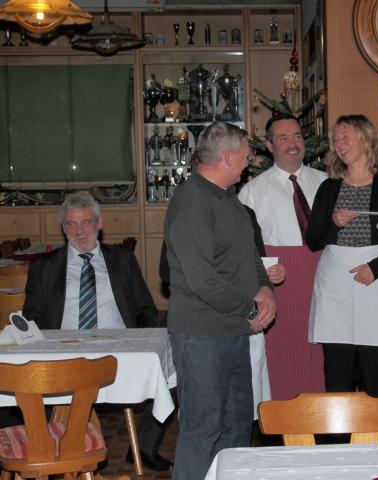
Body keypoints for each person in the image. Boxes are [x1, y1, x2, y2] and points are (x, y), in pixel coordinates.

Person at [22, 191, 173, 472]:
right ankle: (54, 446)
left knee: (173, 374)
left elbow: (145, 308)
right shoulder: (45, 267)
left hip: (118, 349)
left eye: (86, 222)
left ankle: (143, 445)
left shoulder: (122, 260)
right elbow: (33, 315)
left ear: (99, 223)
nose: (79, 231)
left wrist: (146, 340)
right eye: (71, 224)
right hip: (65, 350)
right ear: (63, 227)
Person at [164, 122, 276, 480]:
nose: (248, 162)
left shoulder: (229, 198)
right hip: (201, 335)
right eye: (244, 156)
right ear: (226, 157)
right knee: (203, 429)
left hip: (234, 331)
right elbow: (202, 279)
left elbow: (250, 255)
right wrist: (249, 308)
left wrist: (263, 288)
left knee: (237, 424)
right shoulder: (191, 202)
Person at [306, 115, 378, 398]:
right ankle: (339, 428)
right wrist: (333, 223)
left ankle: (376, 428)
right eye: (336, 139)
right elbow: (313, 240)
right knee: (338, 375)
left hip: (376, 283)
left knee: (374, 374)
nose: (339, 143)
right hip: (335, 286)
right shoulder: (330, 187)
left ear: (365, 139)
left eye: (345, 136)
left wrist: (376, 268)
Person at [238, 113, 327, 400]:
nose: (293, 144)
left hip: (323, 282)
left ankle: (322, 418)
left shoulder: (325, 183)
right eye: (283, 138)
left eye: (298, 136)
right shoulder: (253, 191)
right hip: (280, 286)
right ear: (269, 145)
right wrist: (262, 276)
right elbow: (244, 247)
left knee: (321, 356)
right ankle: (282, 418)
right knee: (283, 358)